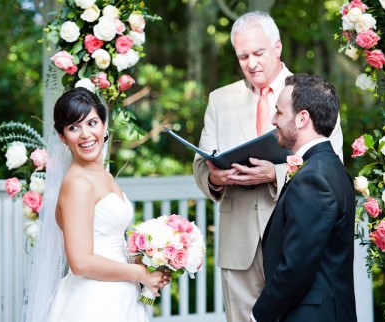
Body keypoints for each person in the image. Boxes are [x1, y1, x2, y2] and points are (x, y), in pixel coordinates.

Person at [192, 11, 343, 322]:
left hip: (295, 242)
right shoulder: (219, 100)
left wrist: (273, 174)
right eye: (242, 56)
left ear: (277, 47)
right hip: (239, 248)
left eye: (258, 53)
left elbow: (331, 164)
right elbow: (200, 165)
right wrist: (215, 177)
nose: (251, 63)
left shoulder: (313, 95)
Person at [22, 87, 169, 322]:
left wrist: (148, 260)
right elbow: (80, 262)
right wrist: (140, 273)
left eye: (92, 123)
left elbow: (109, 241)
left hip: (119, 294)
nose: (85, 134)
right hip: (94, 301)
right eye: (73, 127)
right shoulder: (78, 184)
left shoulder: (105, 176)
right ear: (62, 136)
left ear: (104, 125)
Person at [251, 74, 357, 322]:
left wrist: (260, 314)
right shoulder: (331, 168)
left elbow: (297, 266)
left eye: (279, 112)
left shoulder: (314, 178)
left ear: (302, 119)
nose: (273, 119)